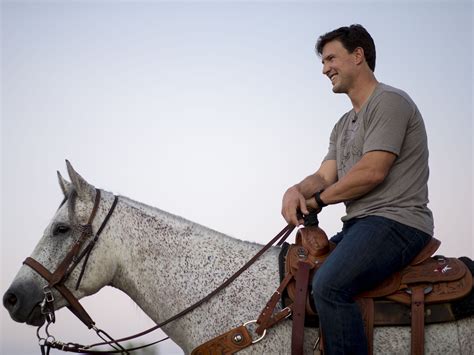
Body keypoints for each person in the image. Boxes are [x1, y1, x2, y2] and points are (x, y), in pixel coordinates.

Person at [281, 24, 434, 354]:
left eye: (331, 58)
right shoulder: (343, 124)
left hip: (397, 223)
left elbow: (372, 172)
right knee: (301, 275)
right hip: (358, 226)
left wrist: (318, 200)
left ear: (358, 56)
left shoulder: (390, 101)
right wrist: (295, 190)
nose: (325, 69)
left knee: (330, 286)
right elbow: (324, 175)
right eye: (322, 62)